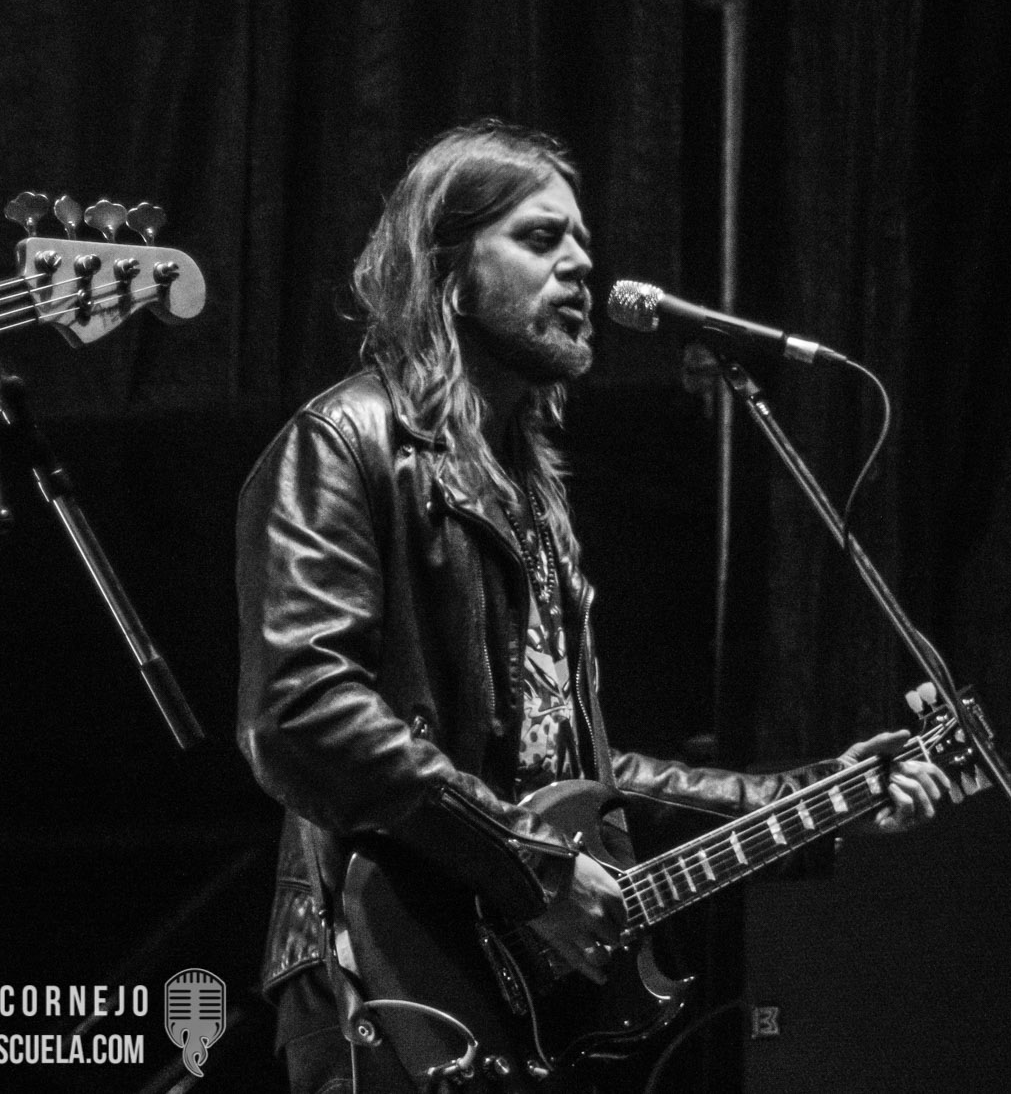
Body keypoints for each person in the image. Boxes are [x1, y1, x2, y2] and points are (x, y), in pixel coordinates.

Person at [235, 121, 957, 1092]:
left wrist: (824, 797)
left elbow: (588, 781)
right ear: (447, 271)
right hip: (377, 963)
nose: (580, 263)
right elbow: (299, 712)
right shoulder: (344, 442)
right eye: (540, 238)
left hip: (503, 994)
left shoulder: (535, 504)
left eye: (581, 240)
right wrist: (531, 869)